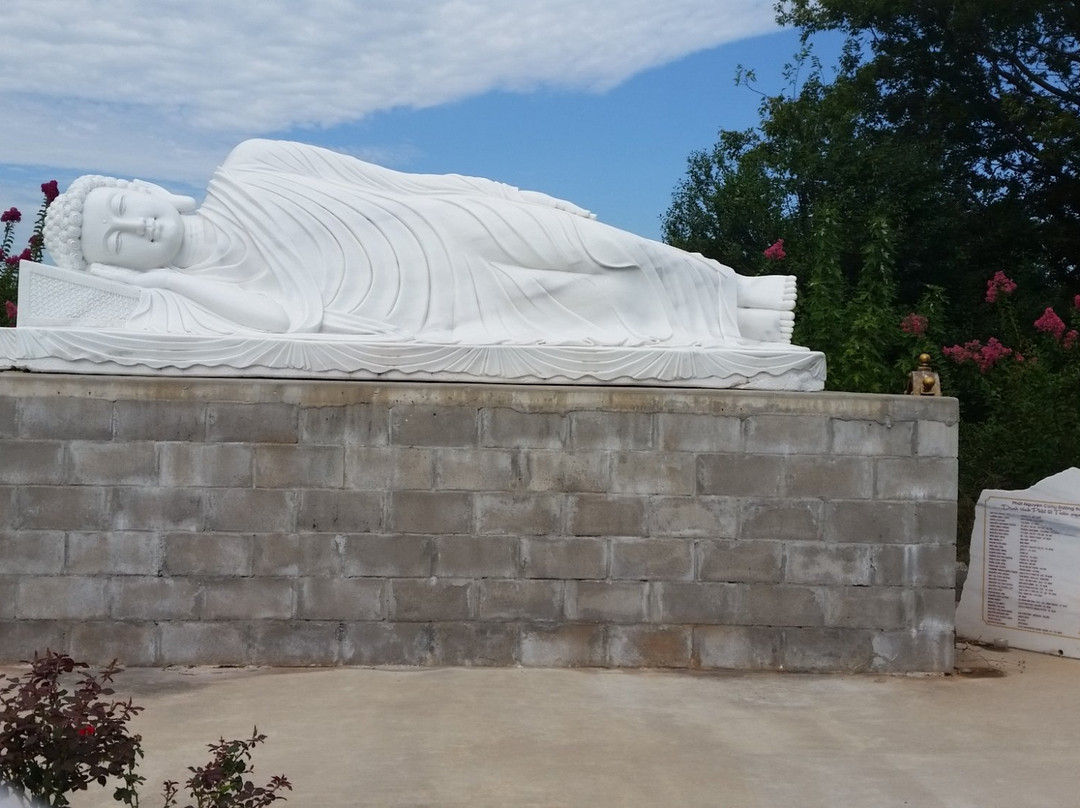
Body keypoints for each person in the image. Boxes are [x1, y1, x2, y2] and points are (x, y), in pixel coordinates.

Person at [43, 139, 796, 346]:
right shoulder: (213, 293)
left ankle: (738, 293)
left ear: (146, 189)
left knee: (599, 247)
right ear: (124, 271)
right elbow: (282, 326)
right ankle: (733, 328)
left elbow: (395, 184)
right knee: (601, 301)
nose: (138, 226)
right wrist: (168, 287)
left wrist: (506, 194)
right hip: (430, 307)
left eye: (124, 206)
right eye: (121, 242)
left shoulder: (250, 163)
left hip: (448, 225)